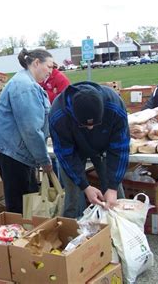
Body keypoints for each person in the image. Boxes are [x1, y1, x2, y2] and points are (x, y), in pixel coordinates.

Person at [49, 81, 130, 218]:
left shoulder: (114, 105)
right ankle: (71, 230)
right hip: (74, 150)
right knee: (73, 195)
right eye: (84, 125)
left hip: (104, 147)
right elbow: (65, 155)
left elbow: (120, 148)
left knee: (115, 196)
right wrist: (85, 186)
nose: (90, 128)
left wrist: (113, 187)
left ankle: (119, 229)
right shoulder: (59, 116)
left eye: (95, 123)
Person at [0, 48, 53, 214]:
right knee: (22, 202)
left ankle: (23, 233)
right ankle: (20, 234)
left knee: (22, 198)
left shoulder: (25, 82)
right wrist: (43, 159)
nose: (51, 72)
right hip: (14, 151)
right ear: (36, 63)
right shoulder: (26, 86)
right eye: (49, 66)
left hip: (12, 148)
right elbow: (31, 129)